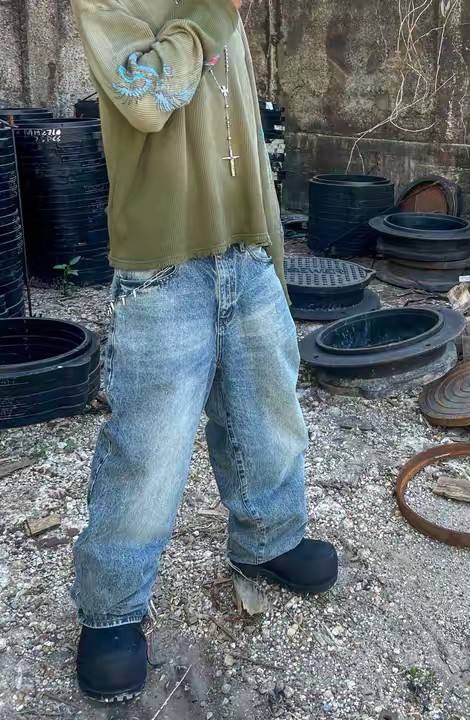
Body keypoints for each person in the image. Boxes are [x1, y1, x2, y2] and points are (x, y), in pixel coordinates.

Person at [69, 0, 337, 703]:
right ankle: (111, 608)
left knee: (268, 412)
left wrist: (271, 248)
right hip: (162, 265)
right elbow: (144, 100)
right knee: (148, 448)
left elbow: (241, 125)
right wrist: (215, 13)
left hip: (245, 248)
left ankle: (269, 540)